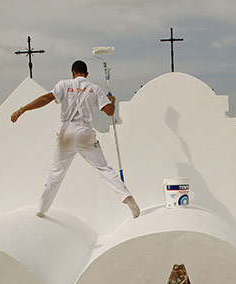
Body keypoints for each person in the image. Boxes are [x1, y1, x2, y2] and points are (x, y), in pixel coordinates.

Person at [11, 60, 140, 219]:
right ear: (87, 74)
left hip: (66, 132)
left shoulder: (64, 85)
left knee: (55, 173)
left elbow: (46, 98)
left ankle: (41, 209)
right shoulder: (94, 89)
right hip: (85, 132)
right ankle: (126, 197)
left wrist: (22, 109)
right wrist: (112, 101)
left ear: (73, 72)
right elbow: (109, 112)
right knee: (104, 169)